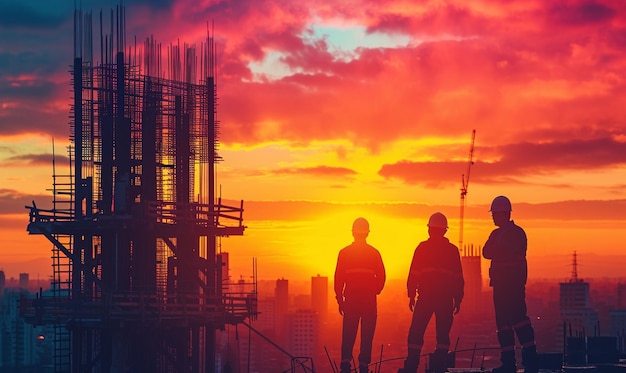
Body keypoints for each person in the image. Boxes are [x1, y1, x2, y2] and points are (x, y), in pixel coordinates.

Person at [398, 212, 464, 373]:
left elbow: (413, 273)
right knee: (442, 335)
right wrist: (458, 299)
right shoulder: (452, 251)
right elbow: (458, 278)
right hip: (445, 299)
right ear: (444, 231)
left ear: (430, 229)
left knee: (416, 332)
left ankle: (412, 365)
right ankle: (440, 365)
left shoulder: (422, 248)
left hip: (426, 297)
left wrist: (411, 294)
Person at [483, 196, 538, 373]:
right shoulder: (496, 234)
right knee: (503, 325)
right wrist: (497, 247)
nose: (492, 217)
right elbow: (486, 252)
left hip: (512, 286)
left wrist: (498, 247)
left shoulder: (516, 233)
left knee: (519, 320)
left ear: (503, 213)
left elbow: (498, 250)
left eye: (495, 214)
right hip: (500, 286)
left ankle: (530, 360)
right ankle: (508, 364)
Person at [334, 217, 386, 373]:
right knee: (367, 333)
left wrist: (340, 299)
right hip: (368, 299)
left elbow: (338, 279)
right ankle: (363, 365)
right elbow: (382, 276)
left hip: (351, 298)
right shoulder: (374, 253)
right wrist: (374, 290)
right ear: (367, 234)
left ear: (353, 233)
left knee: (349, 331)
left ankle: (345, 364)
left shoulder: (344, 253)